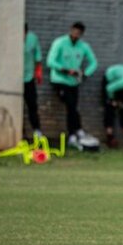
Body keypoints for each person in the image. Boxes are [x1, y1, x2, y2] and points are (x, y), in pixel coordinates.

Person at [46, 21, 99, 150]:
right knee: (70, 105)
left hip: (74, 82)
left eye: (79, 33)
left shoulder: (84, 46)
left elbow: (94, 62)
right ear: (71, 30)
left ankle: (75, 133)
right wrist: (65, 70)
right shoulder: (60, 42)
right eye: (74, 31)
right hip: (59, 80)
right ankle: (74, 132)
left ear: (81, 34)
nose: (76, 34)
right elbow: (50, 61)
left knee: (73, 107)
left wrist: (85, 74)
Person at [23, 23, 44, 138]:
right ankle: (21, 133)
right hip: (14, 79)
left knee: (32, 105)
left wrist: (38, 72)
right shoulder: (11, 37)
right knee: (18, 107)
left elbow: (38, 57)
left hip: (29, 77)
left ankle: (37, 131)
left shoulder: (33, 38)